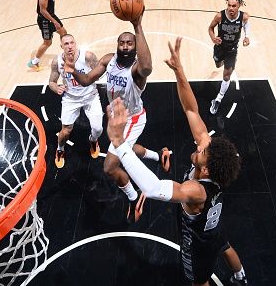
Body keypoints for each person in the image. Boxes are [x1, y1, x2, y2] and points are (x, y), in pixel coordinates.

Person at [106, 37, 248, 286]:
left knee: (199, 282)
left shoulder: (197, 191)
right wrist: (179, 70)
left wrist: (119, 144)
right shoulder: (210, 161)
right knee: (225, 247)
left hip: (198, 242)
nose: (201, 144)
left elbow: (153, 188)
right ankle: (240, 276)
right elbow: (191, 110)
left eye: (203, 151)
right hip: (213, 226)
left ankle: (232, 278)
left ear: (204, 169)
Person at [65, 10, 169, 222]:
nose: (125, 46)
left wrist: (137, 26)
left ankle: (134, 197)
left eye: (129, 43)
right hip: (116, 119)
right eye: (122, 42)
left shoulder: (136, 70)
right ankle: (159, 156)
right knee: (127, 150)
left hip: (132, 119)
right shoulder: (108, 60)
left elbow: (148, 67)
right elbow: (86, 80)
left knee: (110, 166)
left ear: (135, 46)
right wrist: (72, 70)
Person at [48, 34, 103, 169]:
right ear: (61, 46)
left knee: (98, 128)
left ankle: (93, 140)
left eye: (72, 43)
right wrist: (56, 88)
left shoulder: (88, 57)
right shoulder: (57, 62)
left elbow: (100, 72)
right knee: (66, 131)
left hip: (90, 96)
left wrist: (86, 78)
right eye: (66, 44)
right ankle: (60, 149)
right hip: (70, 99)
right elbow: (51, 82)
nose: (70, 46)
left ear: (76, 43)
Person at [208, 0, 250, 115]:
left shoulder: (244, 16)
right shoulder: (220, 16)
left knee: (226, 76)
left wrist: (247, 36)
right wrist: (213, 38)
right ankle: (222, 62)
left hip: (232, 49)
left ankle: (218, 99)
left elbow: (246, 24)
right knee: (217, 65)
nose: (231, 8)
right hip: (220, 47)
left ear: (239, 6)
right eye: (229, 5)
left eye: (234, 6)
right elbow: (210, 28)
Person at [28, 0, 67, 71]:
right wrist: (54, 21)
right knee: (47, 43)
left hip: (50, 16)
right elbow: (42, 10)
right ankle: (34, 62)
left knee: (63, 32)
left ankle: (67, 56)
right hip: (45, 20)